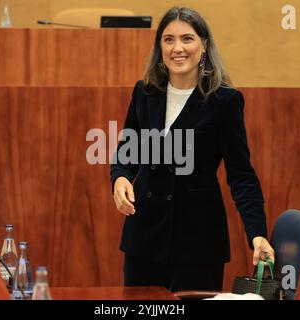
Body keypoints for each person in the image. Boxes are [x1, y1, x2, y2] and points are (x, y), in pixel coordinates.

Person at [110, 6, 275, 292]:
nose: (177, 48)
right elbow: (128, 151)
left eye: (187, 39)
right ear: (159, 46)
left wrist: (257, 234)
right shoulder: (144, 92)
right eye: (168, 39)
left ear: (204, 45)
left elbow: (241, 175)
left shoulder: (224, 101)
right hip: (145, 237)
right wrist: (120, 177)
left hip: (198, 242)